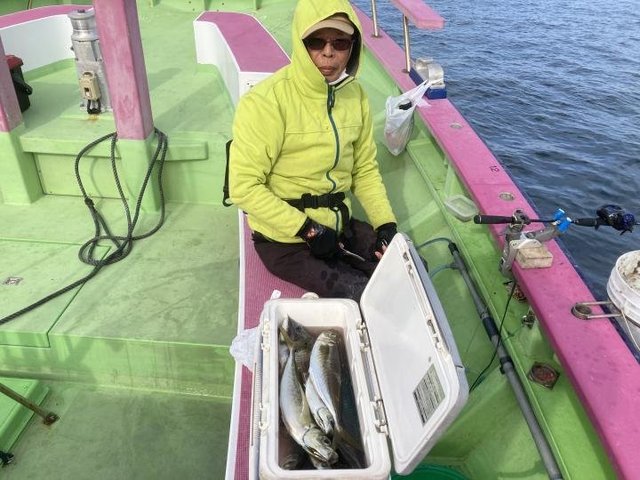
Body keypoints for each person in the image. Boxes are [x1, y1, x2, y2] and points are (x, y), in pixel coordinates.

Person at [229, 0, 397, 301]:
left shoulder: (356, 96)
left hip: (340, 225)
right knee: (365, 296)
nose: (328, 52)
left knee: (404, 271)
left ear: (353, 47)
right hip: (285, 241)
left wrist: (385, 224)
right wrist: (308, 230)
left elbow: (364, 170)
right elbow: (243, 187)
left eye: (340, 42)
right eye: (316, 42)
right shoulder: (265, 103)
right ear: (300, 42)